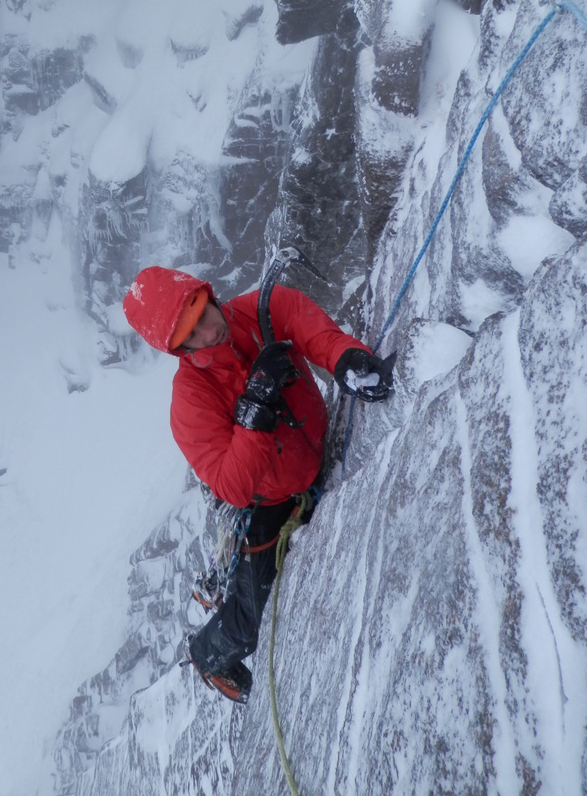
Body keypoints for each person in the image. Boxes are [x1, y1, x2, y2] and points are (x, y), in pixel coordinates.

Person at [123, 265, 394, 703]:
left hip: (310, 455)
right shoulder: (190, 402)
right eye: (192, 334)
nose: (210, 330)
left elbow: (313, 332)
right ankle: (209, 656)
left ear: (209, 295)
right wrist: (255, 406)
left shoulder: (265, 311)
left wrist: (348, 360)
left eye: (203, 312)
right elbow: (233, 485)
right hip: (267, 500)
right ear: (179, 349)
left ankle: (215, 582)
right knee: (252, 617)